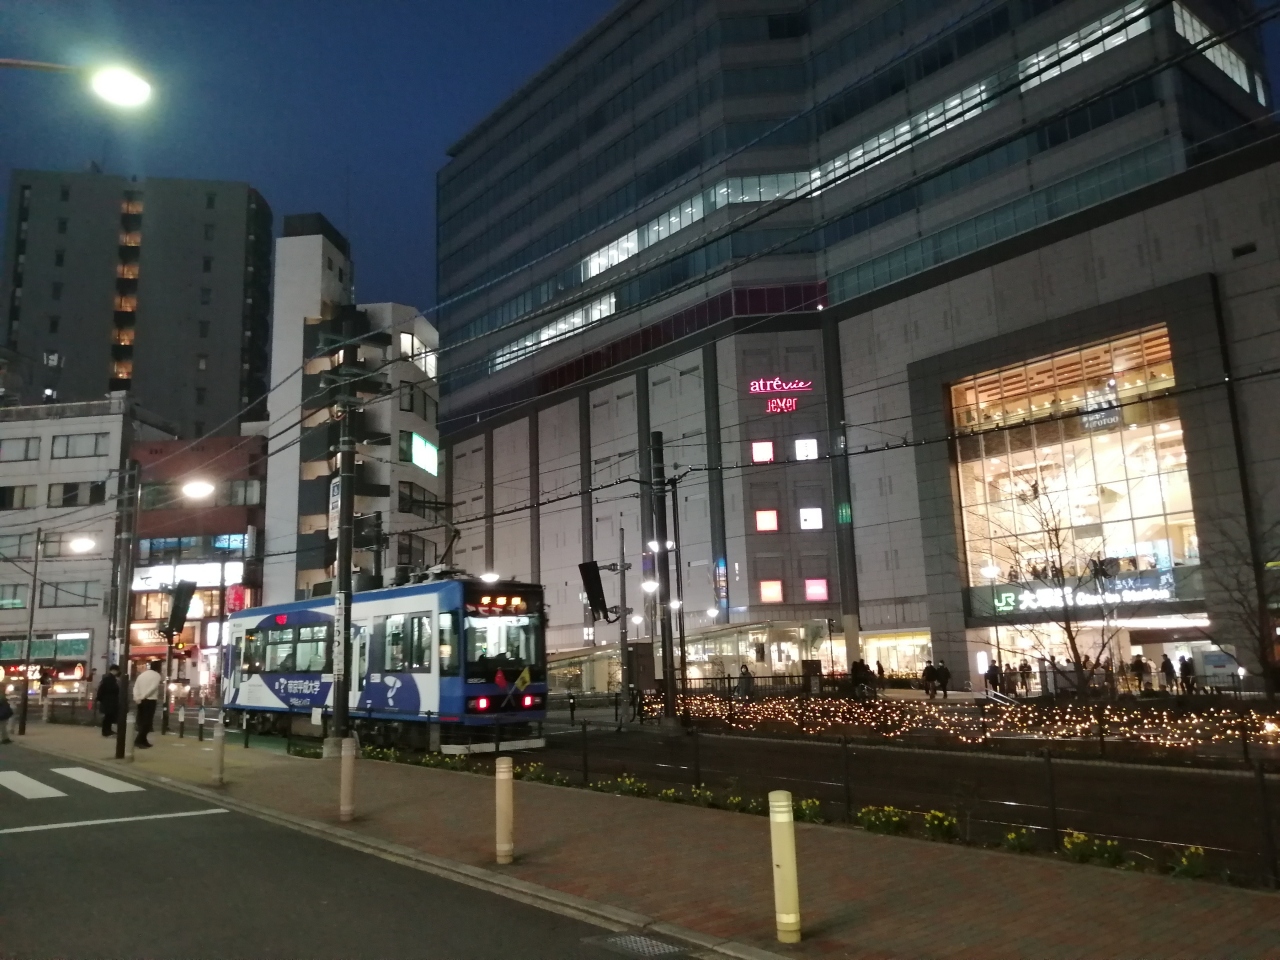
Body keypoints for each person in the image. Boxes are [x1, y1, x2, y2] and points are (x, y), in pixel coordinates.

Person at [133, 661, 162, 748]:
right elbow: (153, 688)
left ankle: (143, 740)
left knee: (141, 720)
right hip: (150, 700)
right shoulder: (156, 675)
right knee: (147, 721)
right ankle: (139, 740)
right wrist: (144, 696)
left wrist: (137, 697)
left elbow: (136, 687)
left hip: (140, 701)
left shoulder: (142, 675)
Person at [96, 664, 120, 738]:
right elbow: (112, 689)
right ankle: (106, 731)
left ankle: (107, 730)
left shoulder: (107, 678)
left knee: (108, 717)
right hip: (109, 701)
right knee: (108, 717)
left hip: (107, 700)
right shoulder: (110, 679)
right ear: (114, 670)